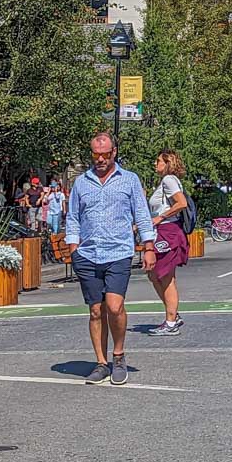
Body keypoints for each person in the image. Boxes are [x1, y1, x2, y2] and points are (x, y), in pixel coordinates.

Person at [64, 132, 156, 385]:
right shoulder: (82, 182)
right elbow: (73, 216)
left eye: (105, 154)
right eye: (96, 154)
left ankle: (118, 355)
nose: (101, 159)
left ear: (114, 152)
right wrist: (74, 248)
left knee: (114, 307)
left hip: (118, 252)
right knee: (96, 311)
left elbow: (142, 214)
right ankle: (101, 363)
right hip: (88, 254)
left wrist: (148, 246)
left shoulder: (129, 180)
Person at [147, 149, 190, 336]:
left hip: (168, 232)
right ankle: (172, 313)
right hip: (162, 231)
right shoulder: (165, 182)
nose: (155, 164)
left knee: (165, 276)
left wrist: (160, 218)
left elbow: (181, 203)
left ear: (167, 163)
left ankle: (171, 322)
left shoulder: (169, 180)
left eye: (158, 161)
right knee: (153, 273)